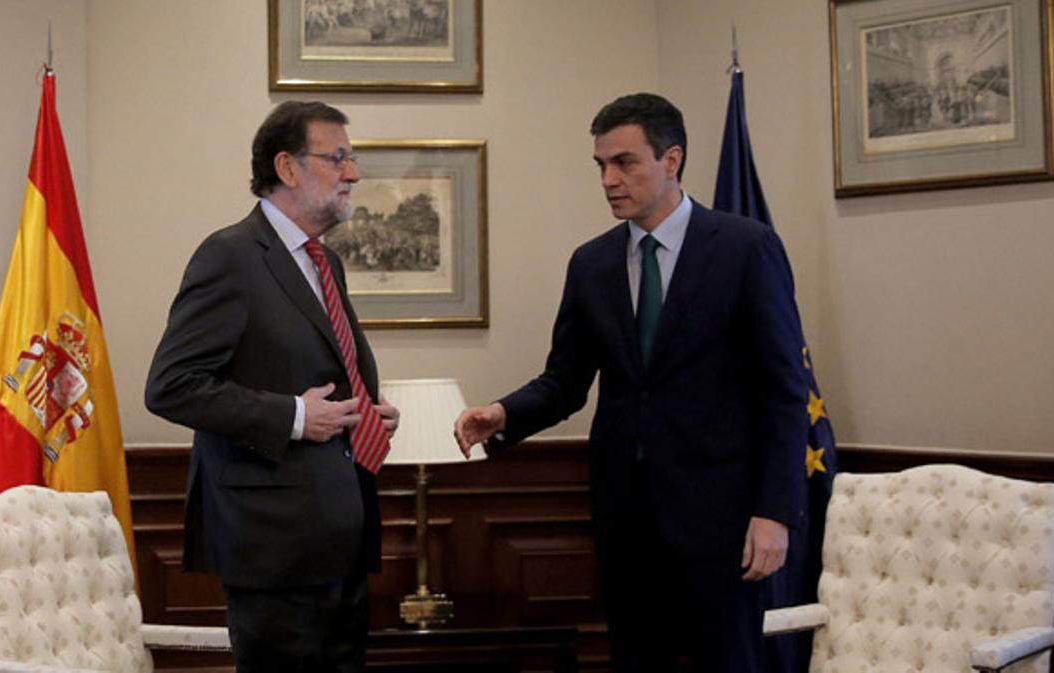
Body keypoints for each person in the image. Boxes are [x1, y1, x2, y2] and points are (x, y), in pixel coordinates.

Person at [454, 93, 809, 672]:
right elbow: (566, 381)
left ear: (672, 160)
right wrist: (503, 414)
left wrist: (775, 513)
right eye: (601, 166)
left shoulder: (745, 248)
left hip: (723, 521)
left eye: (625, 163)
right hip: (627, 519)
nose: (609, 180)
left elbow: (784, 392)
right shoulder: (591, 263)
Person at [146, 100, 399, 672]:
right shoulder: (230, 255)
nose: (352, 173)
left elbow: (312, 374)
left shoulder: (324, 261)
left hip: (341, 535)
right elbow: (171, 385)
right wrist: (294, 417)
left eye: (351, 158)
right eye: (337, 158)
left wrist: (364, 413)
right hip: (272, 545)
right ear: (287, 168)